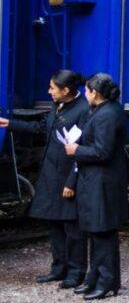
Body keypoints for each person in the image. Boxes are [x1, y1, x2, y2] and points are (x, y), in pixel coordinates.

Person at [0, 71, 89, 287]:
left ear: (65, 90)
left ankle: (75, 272)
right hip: (50, 176)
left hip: (67, 177)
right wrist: (9, 124)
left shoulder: (83, 110)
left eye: (52, 88)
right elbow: (42, 130)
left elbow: (82, 150)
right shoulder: (58, 105)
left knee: (72, 228)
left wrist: (71, 182)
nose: (49, 92)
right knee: (54, 225)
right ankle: (58, 268)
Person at [64, 73, 128, 300]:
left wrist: (76, 151)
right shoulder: (102, 111)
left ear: (95, 93)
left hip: (103, 183)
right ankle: (95, 278)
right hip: (96, 181)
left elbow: (103, 151)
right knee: (96, 231)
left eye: (88, 91)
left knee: (103, 233)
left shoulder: (107, 115)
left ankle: (107, 281)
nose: (86, 95)